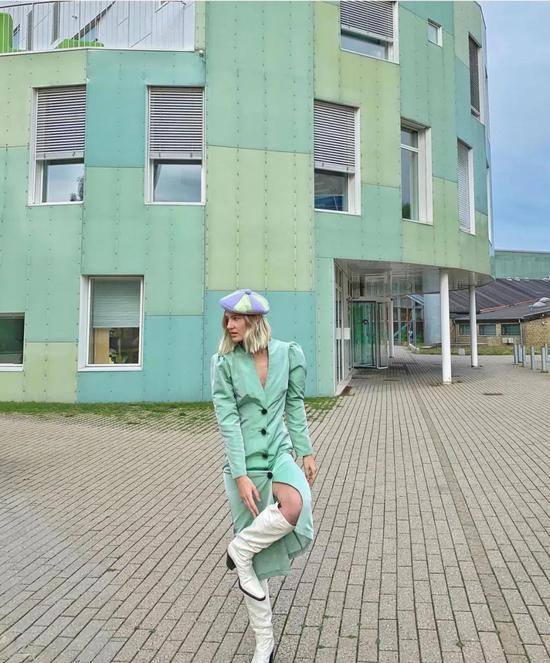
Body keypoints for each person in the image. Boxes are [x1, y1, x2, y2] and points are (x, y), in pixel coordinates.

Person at [210, 288, 317, 663]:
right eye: (227, 318)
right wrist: (240, 475)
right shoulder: (224, 363)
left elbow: (294, 404)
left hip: (280, 453)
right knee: (256, 566)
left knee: (296, 505)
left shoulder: (288, 354)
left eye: (236, 318)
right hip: (246, 462)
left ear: (255, 321)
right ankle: (264, 644)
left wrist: (306, 450)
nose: (229, 324)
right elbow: (228, 422)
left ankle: (237, 549)